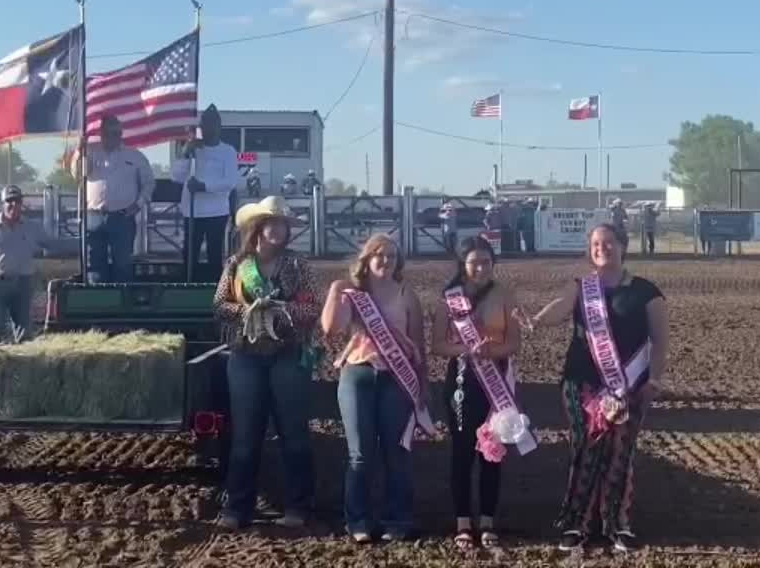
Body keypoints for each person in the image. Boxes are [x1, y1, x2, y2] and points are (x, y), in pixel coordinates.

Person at [529, 223, 669, 554]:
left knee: (621, 451)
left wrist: (656, 379)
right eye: (595, 244)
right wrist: (536, 320)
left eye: (608, 243)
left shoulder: (646, 291)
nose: (601, 248)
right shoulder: (582, 287)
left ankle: (617, 524)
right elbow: (558, 308)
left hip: (629, 387)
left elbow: (660, 341)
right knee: (585, 448)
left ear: (623, 246)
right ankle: (575, 523)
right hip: (582, 384)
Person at [212, 195, 321, 530]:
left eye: (283, 224)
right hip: (245, 355)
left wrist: (282, 312)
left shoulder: (299, 266)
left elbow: (314, 308)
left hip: (287, 354)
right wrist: (248, 311)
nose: (279, 229)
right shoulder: (236, 264)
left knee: (294, 433)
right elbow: (219, 304)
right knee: (245, 435)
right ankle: (238, 507)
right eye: (273, 223)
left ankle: (298, 506)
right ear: (258, 228)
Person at [321, 234, 431, 544]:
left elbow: (418, 344)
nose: (386, 261)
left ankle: (398, 519)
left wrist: (423, 384)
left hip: (397, 379)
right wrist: (336, 293)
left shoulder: (407, 295)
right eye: (379, 255)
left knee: (397, 452)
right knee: (360, 454)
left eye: (392, 256)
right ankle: (357, 520)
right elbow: (332, 329)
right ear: (367, 259)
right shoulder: (352, 292)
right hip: (358, 374)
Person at [430, 236, 525, 550]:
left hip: (497, 382)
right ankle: (462, 521)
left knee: (492, 452)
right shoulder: (449, 298)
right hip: (460, 382)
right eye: (474, 262)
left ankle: (486, 520)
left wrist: (493, 350)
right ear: (463, 264)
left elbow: (515, 342)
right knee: (461, 452)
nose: (481, 268)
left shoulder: (505, 294)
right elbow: (438, 345)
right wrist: (468, 349)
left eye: (486, 262)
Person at [0, 185, 65, 344]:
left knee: (25, 332)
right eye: (9, 201)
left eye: (17, 201)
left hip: (24, 284)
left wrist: (82, 241)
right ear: (2, 203)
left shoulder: (32, 227)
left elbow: (51, 243)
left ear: (22, 203)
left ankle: (22, 367)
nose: (13, 205)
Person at [69, 114, 155, 283]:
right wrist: (80, 150)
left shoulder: (134, 155)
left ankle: (123, 307)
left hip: (122, 217)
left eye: (116, 133)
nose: (112, 137)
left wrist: (138, 205)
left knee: (122, 265)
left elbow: (149, 183)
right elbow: (78, 174)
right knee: (94, 266)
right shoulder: (90, 151)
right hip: (93, 216)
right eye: (108, 133)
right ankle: (98, 306)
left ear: (121, 134)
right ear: (101, 133)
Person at [172, 105, 240, 283]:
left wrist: (204, 186)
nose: (208, 129)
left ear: (219, 127)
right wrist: (186, 152)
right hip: (192, 212)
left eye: (212, 125)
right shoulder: (193, 150)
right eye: (204, 125)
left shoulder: (228, 151)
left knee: (214, 254)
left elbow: (230, 181)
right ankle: (187, 288)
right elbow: (176, 177)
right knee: (189, 254)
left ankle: (214, 290)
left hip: (216, 212)